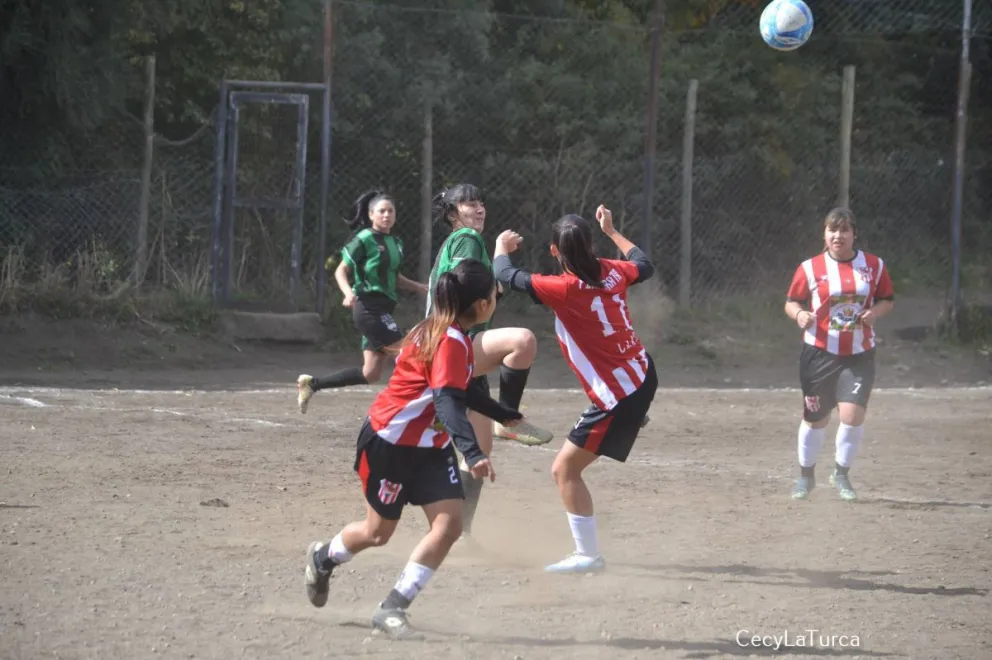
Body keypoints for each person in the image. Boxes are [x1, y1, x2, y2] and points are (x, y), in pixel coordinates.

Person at [303, 259, 524, 639]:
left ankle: (393, 607)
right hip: (390, 444)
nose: (496, 297)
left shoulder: (445, 330)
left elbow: (461, 388)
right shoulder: (449, 339)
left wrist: (500, 412)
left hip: (430, 448)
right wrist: (473, 453)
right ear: (481, 304)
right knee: (377, 533)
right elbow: (447, 402)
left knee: (449, 525)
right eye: (493, 293)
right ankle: (323, 557)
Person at [493, 205, 658, 574]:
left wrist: (500, 245)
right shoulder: (614, 271)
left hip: (619, 396)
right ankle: (634, 414)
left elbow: (503, 273)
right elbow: (644, 264)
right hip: (644, 373)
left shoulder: (563, 288)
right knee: (620, 403)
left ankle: (588, 555)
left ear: (555, 251)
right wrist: (613, 231)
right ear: (590, 245)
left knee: (563, 471)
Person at [427, 182, 554, 540]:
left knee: (477, 458)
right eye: (468, 203)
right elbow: (468, 285)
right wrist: (499, 253)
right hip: (454, 343)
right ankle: (508, 417)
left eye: (480, 201)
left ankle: (459, 534)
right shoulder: (467, 237)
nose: (477, 208)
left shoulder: (460, 240)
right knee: (522, 341)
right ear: (453, 214)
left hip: (457, 345)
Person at [784, 207, 895, 502]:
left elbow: (887, 300)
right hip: (818, 354)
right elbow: (791, 302)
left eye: (844, 230)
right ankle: (805, 477)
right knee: (816, 419)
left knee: (852, 414)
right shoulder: (810, 268)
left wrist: (875, 312)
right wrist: (800, 315)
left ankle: (841, 474)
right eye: (833, 230)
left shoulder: (874, 266)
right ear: (825, 234)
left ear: (854, 234)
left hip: (858, 354)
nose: (838, 236)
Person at [296, 190, 428, 412]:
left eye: (390, 211)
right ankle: (425, 409)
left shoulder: (396, 242)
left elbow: (393, 278)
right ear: (370, 214)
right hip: (368, 308)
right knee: (408, 353)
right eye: (381, 211)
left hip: (383, 309)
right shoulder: (364, 239)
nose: (386, 215)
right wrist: (348, 293)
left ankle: (312, 384)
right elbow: (341, 271)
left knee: (371, 373)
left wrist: (419, 287)